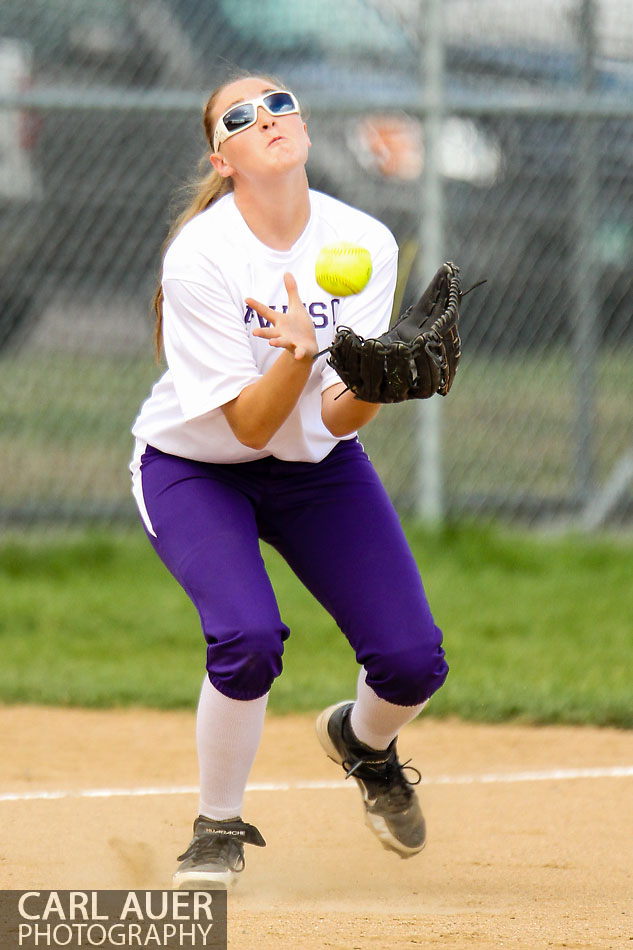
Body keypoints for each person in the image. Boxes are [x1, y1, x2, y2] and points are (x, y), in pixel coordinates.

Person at [130, 71, 449, 890]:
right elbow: (246, 426)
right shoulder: (201, 255)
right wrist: (299, 352)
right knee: (246, 638)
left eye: (280, 103)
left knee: (413, 662)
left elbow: (336, 419)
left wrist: (377, 381)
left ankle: (363, 744)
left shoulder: (363, 242)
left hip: (315, 469)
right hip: (196, 469)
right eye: (242, 115)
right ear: (222, 156)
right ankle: (216, 828)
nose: (267, 117)